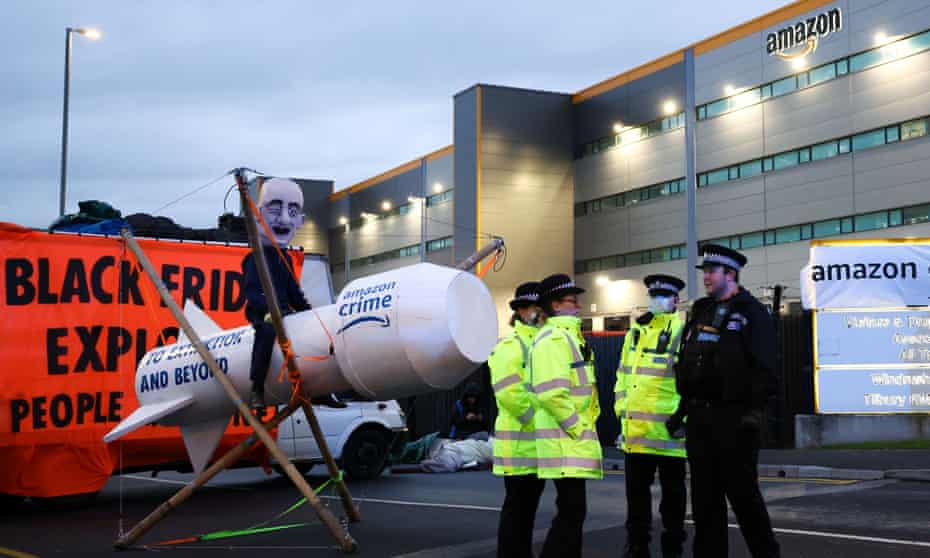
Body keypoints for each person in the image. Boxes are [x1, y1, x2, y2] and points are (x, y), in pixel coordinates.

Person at [671, 244, 780, 558]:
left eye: (711, 271)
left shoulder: (751, 312)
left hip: (734, 422)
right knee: (705, 506)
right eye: (704, 271)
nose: (705, 276)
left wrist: (752, 415)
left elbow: (766, 369)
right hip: (700, 421)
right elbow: (689, 360)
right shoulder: (701, 310)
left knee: (746, 503)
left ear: (730, 274)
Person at [529, 273, 602, 558]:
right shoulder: (554, 338)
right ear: (556, 305)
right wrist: (577, 427)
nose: (579, 306)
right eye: (573, 301)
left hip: (570, 439)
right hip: (565, 439)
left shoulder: (568, 336)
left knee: (572, 513)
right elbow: (551, 393)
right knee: (571, 514)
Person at [616, 275, 688, 558]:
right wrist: (621, 413)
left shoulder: (682, 330)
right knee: (636, 498)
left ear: (675, 300)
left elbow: (687, 381)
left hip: (669, 432)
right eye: (654, 294)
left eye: (664, 295)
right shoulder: (634, 332)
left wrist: (680, 419)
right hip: (636, 433)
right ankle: (637, 547)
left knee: (672, 497)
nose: (658, 300)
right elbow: (622, 377)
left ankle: (673, 546)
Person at [243, 178, 311, 410]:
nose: (284, 219)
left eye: (292, 212)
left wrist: (308, 314)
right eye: (274, 209)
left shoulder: (286, 259)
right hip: (264, 314)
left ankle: (316, 386)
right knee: (266, 333)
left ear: (300, 221)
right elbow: (252, 293)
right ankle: (257, 386)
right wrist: (268, 309)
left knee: (309, 336)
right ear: (258, 216)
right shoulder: (255, 258)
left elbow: (294, 291)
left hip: (285, 312)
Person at [490, 282, 546, 558]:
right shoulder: (512, 346)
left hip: (535, 447)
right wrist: (538, 423)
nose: (541, 313)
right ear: (522, 310)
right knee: (517, 512)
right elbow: (509, 393)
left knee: (526, 512)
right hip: (520, 446)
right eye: (537, 308)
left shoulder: (539, 342)